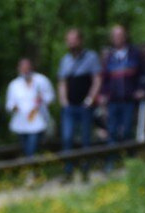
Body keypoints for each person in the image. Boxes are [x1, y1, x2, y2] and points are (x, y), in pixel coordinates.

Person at [57, 29, 102, 180]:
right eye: (68, 40)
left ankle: (85, 170)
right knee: (67, 138)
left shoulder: (91, 57)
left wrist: (90, 99)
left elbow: (97, 79)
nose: (71, 43)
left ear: (80, 40)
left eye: (73, 39)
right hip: (69, 106)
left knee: (85, 139)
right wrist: (63, 101)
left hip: (85, 106)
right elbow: (62, 82)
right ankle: (68, 171)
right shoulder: (65, 60)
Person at [101, 24, 145, 169]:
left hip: (129, 100)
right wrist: (103, 94)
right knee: (112, 132)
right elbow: (105, 78)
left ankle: (130, 162)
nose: (117, 38)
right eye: (115, 35)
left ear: (125, 36)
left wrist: (141, 89)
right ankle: (111, 163)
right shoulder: (109, 57)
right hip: (113, 100)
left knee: (127, 131)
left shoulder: (135, 54)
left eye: (120, 35)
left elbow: (143, 75)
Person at [6, 58, 54, 159]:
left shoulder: (41, 80)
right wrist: (14, 107)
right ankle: (30, 168)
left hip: (38, 120)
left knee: (33, 147)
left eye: (27, 68)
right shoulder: (14, 85)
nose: (25, 70)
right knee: (25, 148)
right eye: (23, 68)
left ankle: (31, 167)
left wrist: (42, 99)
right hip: (21, 122)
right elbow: (9, 104)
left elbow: (51, 98)